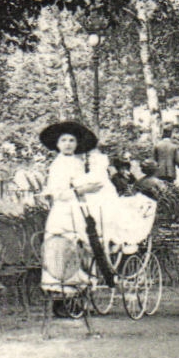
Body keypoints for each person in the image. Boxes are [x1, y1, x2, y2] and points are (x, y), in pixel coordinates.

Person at [39, 119, 119, 311]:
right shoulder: (57, 165)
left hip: (79, 210)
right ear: (57, 144)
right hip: (63, 212)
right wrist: (82, 190)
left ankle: (79, 295)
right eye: (64, 140)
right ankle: (62, 297)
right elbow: (57, 193)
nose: (68, 144)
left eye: (72, 140)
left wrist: (90, 191)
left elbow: (84, 185)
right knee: (62, 249)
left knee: (82, 248)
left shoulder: (77, 162)